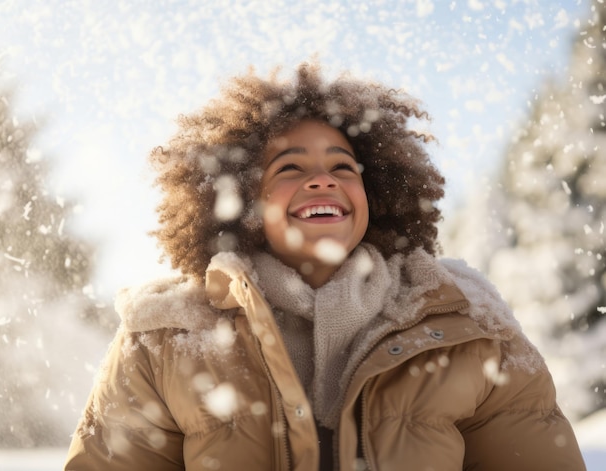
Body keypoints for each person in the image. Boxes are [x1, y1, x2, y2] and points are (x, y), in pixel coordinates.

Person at [64, 63, 586, 470]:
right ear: (242, 200)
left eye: (343, 166)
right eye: (290, 167)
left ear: (377, 191)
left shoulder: (470, 328)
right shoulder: (163, 339)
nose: (323, 180)